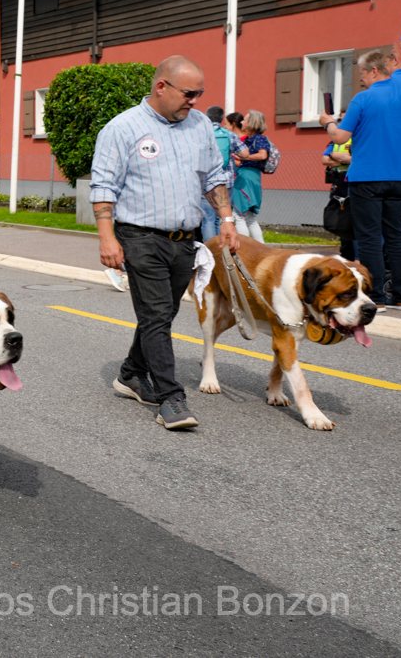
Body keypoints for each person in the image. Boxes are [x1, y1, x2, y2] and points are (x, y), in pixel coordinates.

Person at [91, 55, 239, 430]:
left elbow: (213, 177)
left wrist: (226, 220)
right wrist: (107, 237)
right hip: (139, 237)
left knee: (162, 313)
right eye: (190, 93)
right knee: (157, 315)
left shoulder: (201, 125)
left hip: (183, 240)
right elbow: (104, 186)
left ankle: (131, 373)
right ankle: (171, 398)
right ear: (162, 87)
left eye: (200, 94)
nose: (195, 101)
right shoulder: (122, 128)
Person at [320, 44, 401, 312]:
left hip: (368, 177)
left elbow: (340, 138)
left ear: (374, 71)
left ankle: (376, 298)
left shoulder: (364, 98)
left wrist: (327, 122)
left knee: (369, 237)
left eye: (362, 73)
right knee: (395, 236)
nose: (360, 78)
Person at [199, 106, 247, 242]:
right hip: (227, 182)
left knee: (208, 218)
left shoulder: (201, 133)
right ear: (221, 119)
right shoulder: (229, 134)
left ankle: (211, 250)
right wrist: (230, 154)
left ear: (206, 117)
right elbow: (245, 153)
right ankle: (222, 247)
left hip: (206, 181)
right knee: (223, 218)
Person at [230, 110, 270, 243]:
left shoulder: (259, 139)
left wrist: (244, 156)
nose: (242, 121)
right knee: (250, 218)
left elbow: (263, 155)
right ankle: (262, 248)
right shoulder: (248, 140)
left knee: (238, 215)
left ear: (252, 123)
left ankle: (246, 248)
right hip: (250, 176)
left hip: (246, 178)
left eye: (245, 119)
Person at [322, 129, 353, 260]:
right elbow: (325, 159)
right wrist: (344, 160)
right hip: (339, 181)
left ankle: (356, 256)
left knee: (354, 220)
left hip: (353, 181)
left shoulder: (358, 137)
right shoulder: (335, 140)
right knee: (342, 219)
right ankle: (346, 254)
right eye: (341, 118)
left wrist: (335, 156)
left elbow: (360, 160)